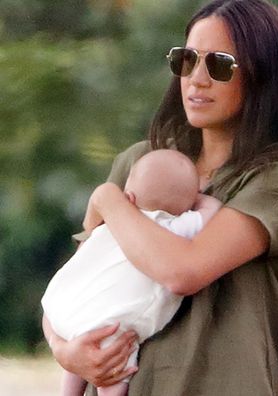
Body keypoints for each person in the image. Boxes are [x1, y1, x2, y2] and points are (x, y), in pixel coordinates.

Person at [42, 1, 278, 394]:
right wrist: (67, 351)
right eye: (187, 60)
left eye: (220, 65)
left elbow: (183, 272)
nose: (196, 78)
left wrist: (109, 200)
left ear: (263, 75)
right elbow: (79, 282)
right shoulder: (142, 162)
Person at [42, 149, 222, 396]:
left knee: (80, 348)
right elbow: (213, 211)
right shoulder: (176, 227)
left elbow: (88, 229)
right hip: (110, 326)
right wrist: (198, 198)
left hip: (63, 307)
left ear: (129, 195)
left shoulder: (113, 222)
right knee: (115, 372)